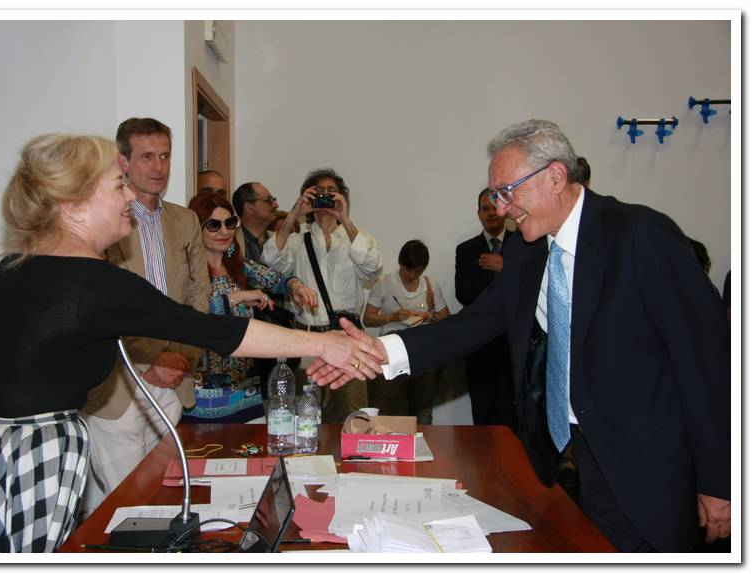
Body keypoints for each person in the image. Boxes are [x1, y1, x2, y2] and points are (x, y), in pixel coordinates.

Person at [0, 134, 381, 553]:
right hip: (38, 461)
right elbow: (215, 331)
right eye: (117, 185)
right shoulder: (94, 282)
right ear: (73, 206)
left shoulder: (11, 269)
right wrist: (325, 345)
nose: (130, 196)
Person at [309, 119, 730, 552]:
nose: (501, 209)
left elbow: (706, 361)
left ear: (556, 177)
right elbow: (473, 323)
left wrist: (721, 481)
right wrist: (381, 350)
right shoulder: (528, 251)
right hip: (574, 462)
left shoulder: (641, 236)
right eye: (495, 195)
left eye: (507, 192)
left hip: (649, 467)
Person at [79, 117, 209, 516]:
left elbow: (198, 295)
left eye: (165, 156)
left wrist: (181, 358)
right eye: (147, 157)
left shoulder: (185, 220)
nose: (158, 167)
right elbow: (98, 307)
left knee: (160, 498)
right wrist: (150, 359)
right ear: (123, 162)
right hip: (118, 384)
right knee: (126, 505)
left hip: (172, 382)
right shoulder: (104, 221)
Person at [183, 192, 317, 422]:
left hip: (244, 389)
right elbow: (188, 315)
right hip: (201, 392)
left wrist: (296, 286)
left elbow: (276, 279)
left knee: (252, 444)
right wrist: (235, 298)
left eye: (229, 223)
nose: (224, 231)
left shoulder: (238, 266)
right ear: (197, 228)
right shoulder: (187, 270)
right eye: (214, 225)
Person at [263, 168, 383, 423]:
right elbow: (270, 262)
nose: (326, 196)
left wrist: (345, 219)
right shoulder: (296, 241)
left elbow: (372, 267)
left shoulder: (358, 240)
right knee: (305, 418)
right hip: (306, 341)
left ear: (343, 198)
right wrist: (294, 213)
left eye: (332, 192)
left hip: (348, 342)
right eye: (319, 192)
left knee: (353, 418)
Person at [362, 240, 449, 424]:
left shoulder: (430, 286)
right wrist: (393, 317)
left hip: (422, 349)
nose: (411, 275)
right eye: (407, 270)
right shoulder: (384, 283)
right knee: (384, 404)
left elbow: (446, 319)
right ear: (400, 263)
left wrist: (429, 316)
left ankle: (422, 440)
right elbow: (367, 318)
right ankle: (381, 438)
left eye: (417, 271)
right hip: (391, 348)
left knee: (423, 409)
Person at [454, 187, 516, 429]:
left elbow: (531, 289)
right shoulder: (466, 250)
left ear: (505, 211)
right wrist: (500, 275)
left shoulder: (524, 245)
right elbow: (464, 294)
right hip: (480, 346)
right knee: (483, 413)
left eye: (495, 208)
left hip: (516, 344)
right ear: (478, 213)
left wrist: (506, 267)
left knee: (515, 417)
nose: (491, 213)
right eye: (485, 209)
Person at [232, 182, 299, 387]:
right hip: (247, 340)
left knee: (283, 399)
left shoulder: (281, 243)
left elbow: (287, 277)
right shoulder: (230, 244)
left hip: (283, 337)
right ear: (248, 207)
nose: (275, 204)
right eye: (269, 200)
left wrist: (295, 285)